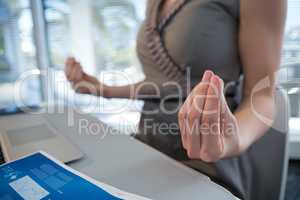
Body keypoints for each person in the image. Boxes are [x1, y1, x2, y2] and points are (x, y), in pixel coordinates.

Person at [65, 0, 287, 199]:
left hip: (205, 161)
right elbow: (163, 83)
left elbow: (263, 95)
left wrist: (231, 138)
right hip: (147, 147)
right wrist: (103, 90)